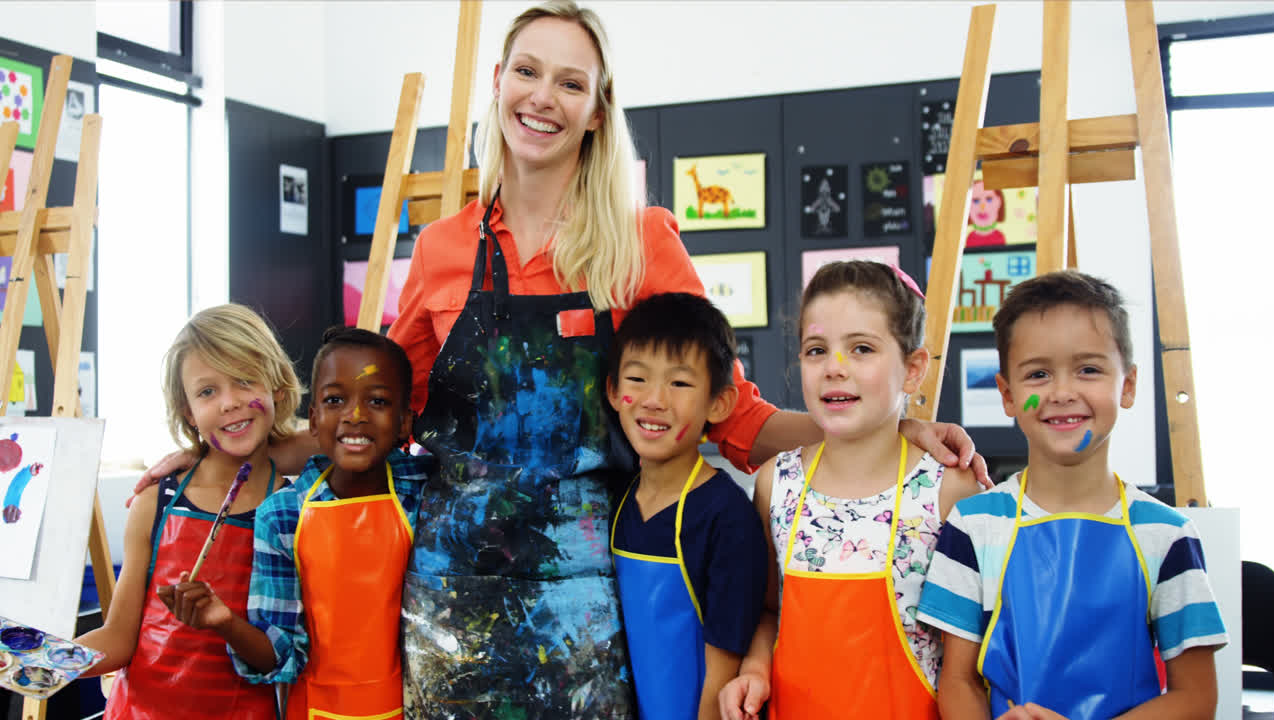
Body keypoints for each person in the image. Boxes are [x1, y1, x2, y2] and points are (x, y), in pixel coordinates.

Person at [140, 4, 985, 716]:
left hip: (586, 594)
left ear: (596, 109)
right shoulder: (440, 249)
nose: (544, 98)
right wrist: (226, 450)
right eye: (528, 72)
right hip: (448, 595)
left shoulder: (642, 242)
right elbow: (371, 418)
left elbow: (730, 412)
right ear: (500, 82)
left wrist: (889, 432)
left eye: (571, 83)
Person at [917, 271, 1228, 720]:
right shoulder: (973, 526)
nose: (1062, 392)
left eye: (1088, 369)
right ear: (1007, 394)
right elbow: (958, 680)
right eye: (1038, 373)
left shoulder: (1168, 534)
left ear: (1127, 385)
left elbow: (1197, 698)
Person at [720, 261, 980, 720]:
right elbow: (767, 612)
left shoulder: (948, 490)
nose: (835, 368)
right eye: (817, 350)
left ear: (914, 368)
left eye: (861, 348)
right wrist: (755, 670)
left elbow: (974, 660)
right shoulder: (774, 485)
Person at [161, 327, 426, 720]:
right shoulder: (282, 515)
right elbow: (278, 654)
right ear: (314, 419)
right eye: (336, 400)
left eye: (378, 401)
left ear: (405, 423)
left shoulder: (426, 493)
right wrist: (224, 622)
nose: (355, 416)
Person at [76, 304, 300, 720]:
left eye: (244, 379)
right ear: (188, 413)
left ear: (278, 389)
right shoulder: (154, 501)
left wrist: (224, 623)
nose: (230, 402)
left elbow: (282, 659)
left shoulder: (295, 510)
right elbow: (119, 640)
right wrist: (48, 660)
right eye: (207, 392)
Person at [604, 293, 768, 720]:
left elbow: (723, 668)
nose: (654, 400)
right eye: (637, 380)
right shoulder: (613, 500)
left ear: (719, 403)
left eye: (679, 384)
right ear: (612, 388)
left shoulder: (726, 517)